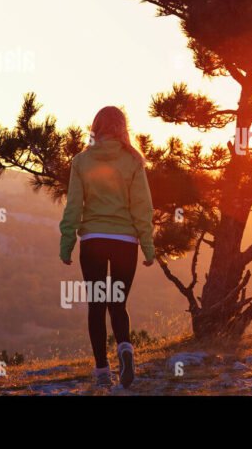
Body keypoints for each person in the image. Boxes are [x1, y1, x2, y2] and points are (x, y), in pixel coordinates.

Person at [59, 106, 155, 389]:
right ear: (123, 128)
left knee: (97, 304)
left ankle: (102, 371)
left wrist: (67, 242)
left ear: (96, 127)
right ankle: (124, 346)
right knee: (118, 303)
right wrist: (147, 245)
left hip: (93, 241)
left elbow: (73, 206)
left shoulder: (81, 161)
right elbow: (142, 207)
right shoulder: (133, 161)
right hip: (125, 242)